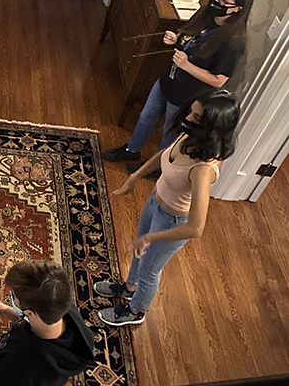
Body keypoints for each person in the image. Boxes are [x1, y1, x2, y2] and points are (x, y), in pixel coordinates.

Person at [95, 90, 240, 326]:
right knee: (139, 252)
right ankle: (129, 288)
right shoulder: (191, 137)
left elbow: (196, 228)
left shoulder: (203, 169)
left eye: (197, 117)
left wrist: (153, 236)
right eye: (192, 111)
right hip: (155, 202)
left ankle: (135, 311)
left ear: (213, 128)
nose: (189, 118)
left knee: (149, 270)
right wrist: (135, 177)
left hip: (173, 223)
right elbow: (166, 153)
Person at [103, 0, 253, 176]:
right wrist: (176, 39)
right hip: (168, 80)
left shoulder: (234, 42)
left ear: (236, 9)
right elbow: (190, 38)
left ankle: (159, 167)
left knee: (169, 132)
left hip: (187, 95)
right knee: (146, 117)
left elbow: (219, 80)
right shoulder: (206, 13)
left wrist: (187, 65)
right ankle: (132, 150)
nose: (216, 0)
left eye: (223, 0)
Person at [0, 259, 95, 386]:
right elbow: (25, 320)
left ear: (30, 313)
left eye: (13, 297)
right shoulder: (63, 310)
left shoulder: (21, 366)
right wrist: (1, 306)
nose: (11, 297)